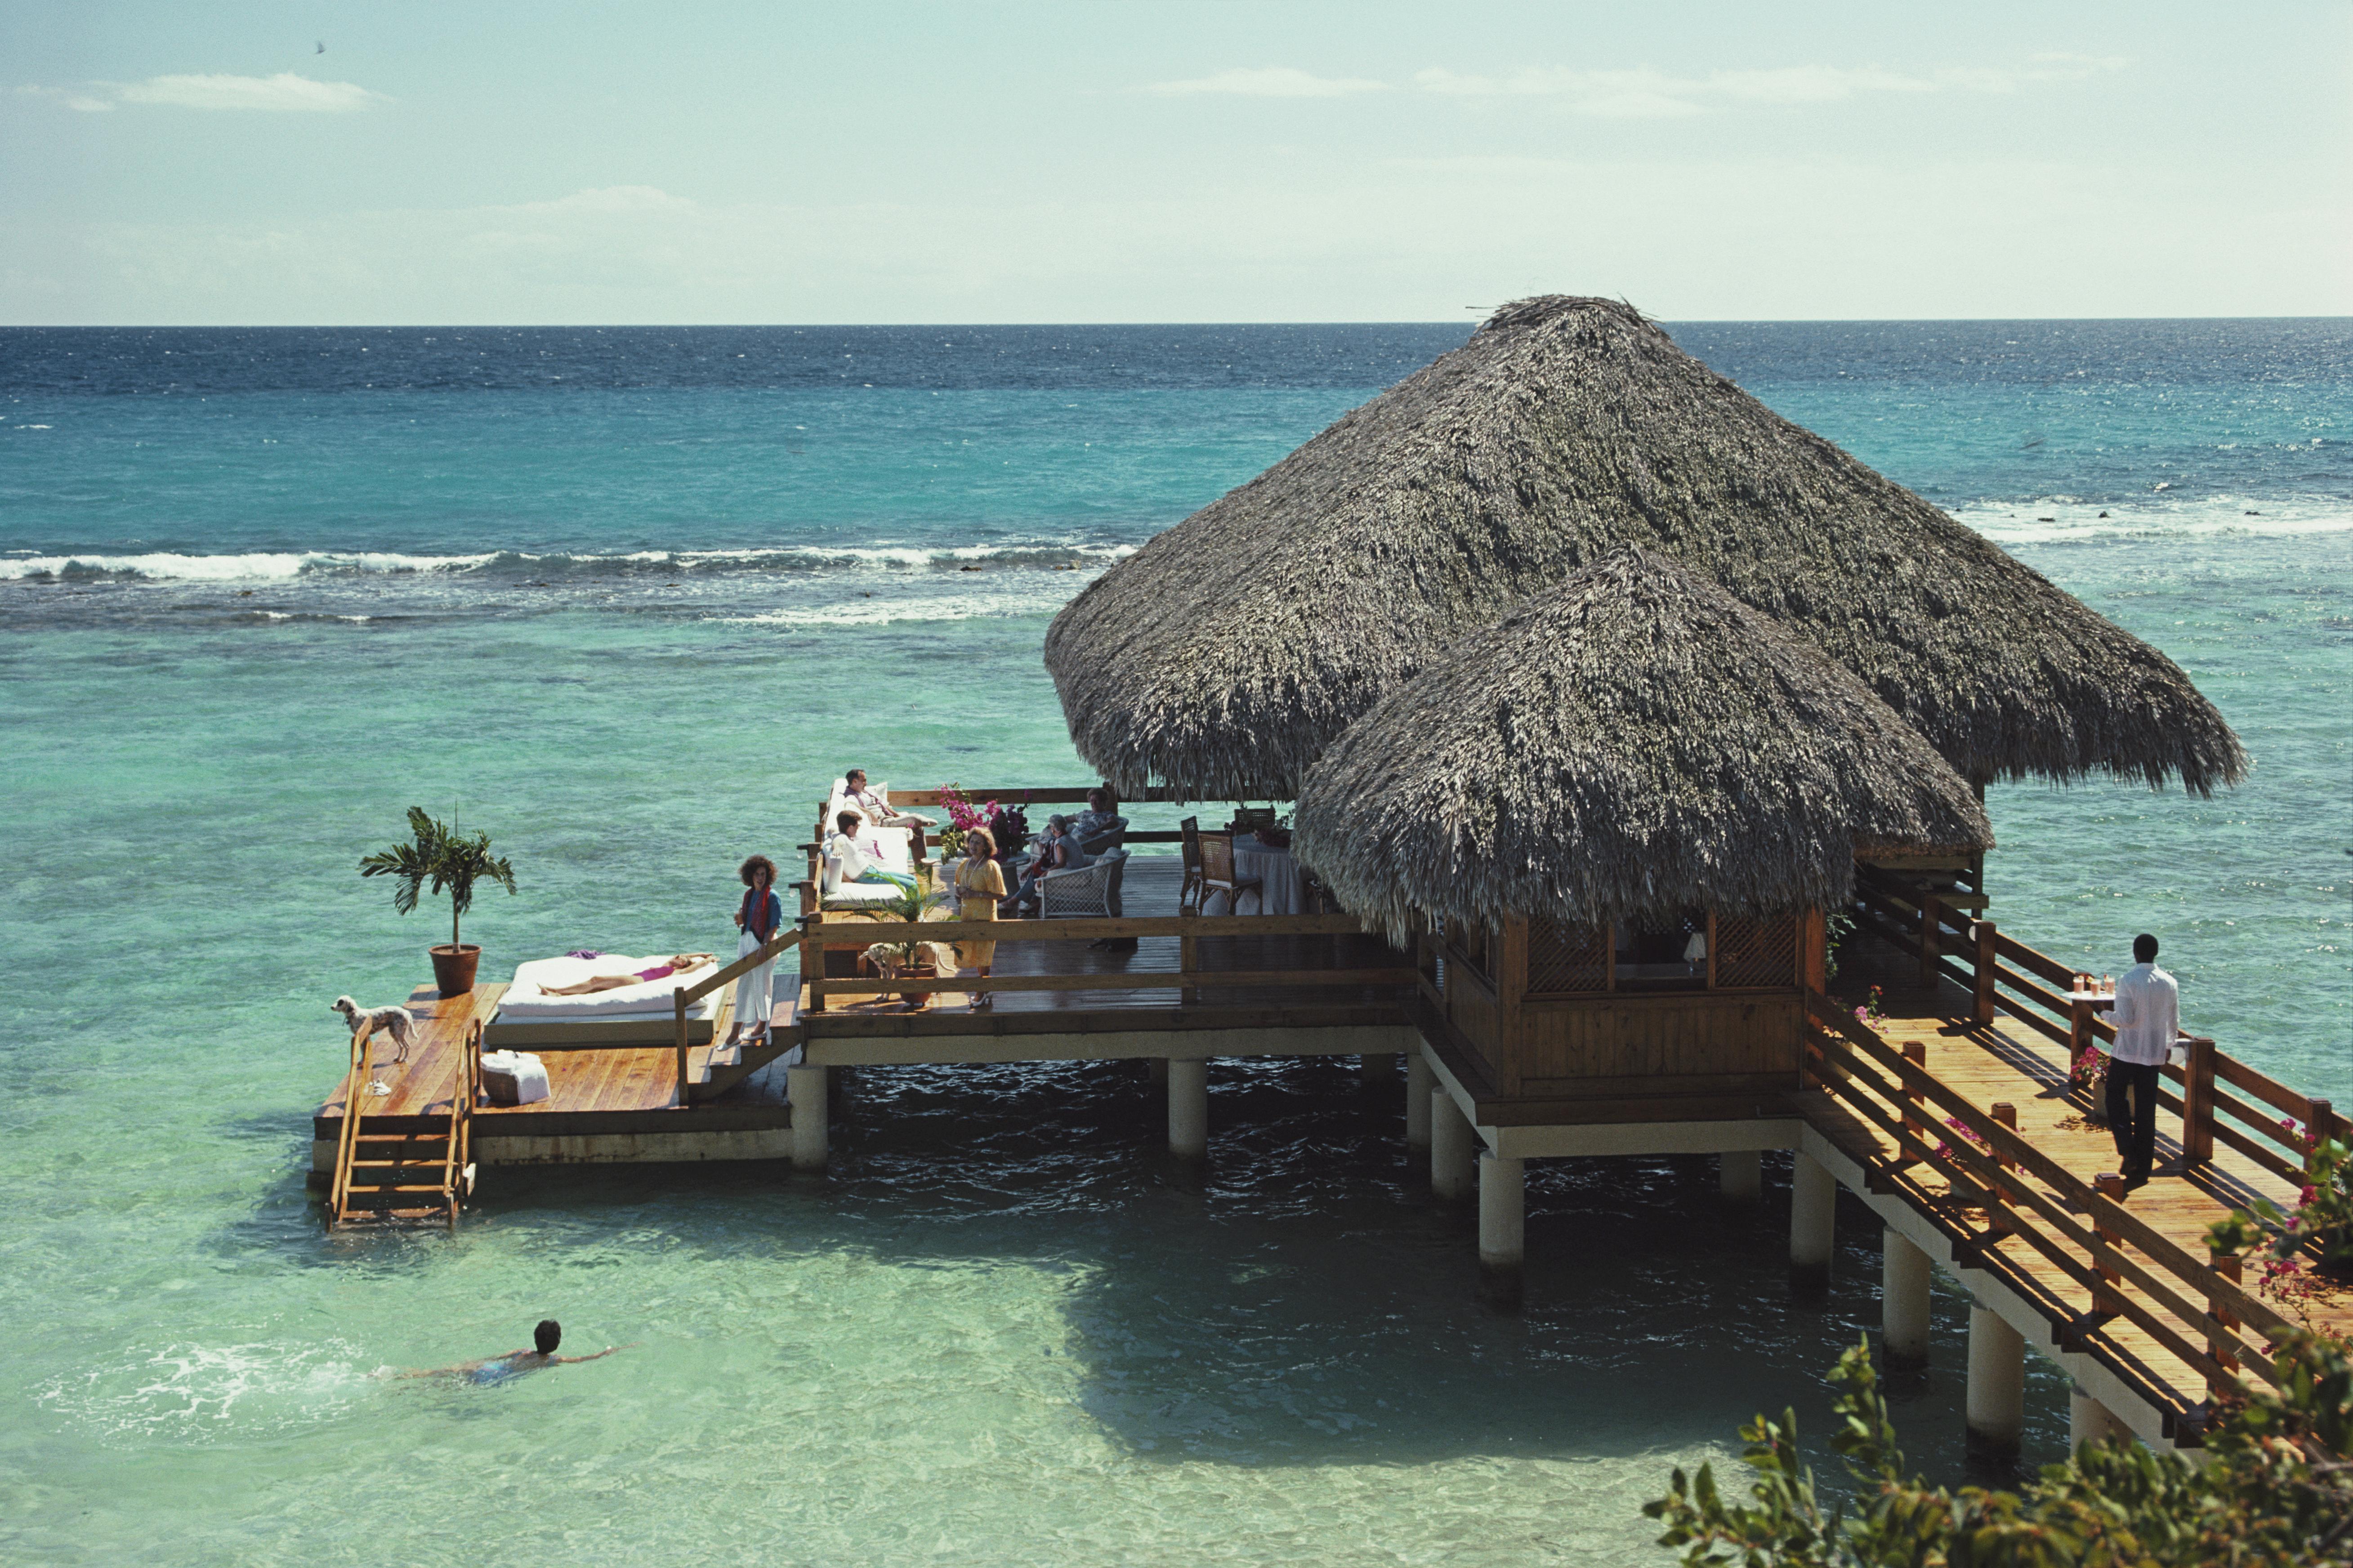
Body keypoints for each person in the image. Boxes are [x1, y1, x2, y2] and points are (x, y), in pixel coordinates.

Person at [2106, 931, 2179, 1188]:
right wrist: (2169, 1046)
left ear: (2135, 953)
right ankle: (2142, 1169)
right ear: (2155, 953)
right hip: (2153, 1053)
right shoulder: (2170, 983)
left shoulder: (2128, 980)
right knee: (2147, 1109)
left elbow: (2125, 1019)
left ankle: (2128, 1150)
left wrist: (2103, 1013)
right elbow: (2173, 1020)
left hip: (2127, 1051)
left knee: (2115, 1096)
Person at [398, 1319, 620, 1383]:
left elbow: (494, 1358)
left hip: (488, 1367)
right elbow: (582, 1359)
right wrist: (605, 1353)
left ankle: (402, 1376)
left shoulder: (522, 1350)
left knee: (440, 1373)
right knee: (444, 1388)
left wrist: (474, 1363)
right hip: (494, 1378)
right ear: (557, 1343)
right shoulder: (551, 1360)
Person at [727, 855, 784, 1048]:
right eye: (757, 875)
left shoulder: (773, 896)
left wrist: (764, 947)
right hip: (747, 943)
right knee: (744, 986)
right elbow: (749, 921)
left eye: (763, 874)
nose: (760, 878)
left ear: (768, 876)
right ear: (750, 876)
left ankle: (760, 1027)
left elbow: (774, 925)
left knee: (762, 987)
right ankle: (736, 1033)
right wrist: (740, 919)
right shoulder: (749, 895)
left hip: (763, 946)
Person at [952, 826, 1007, 1010]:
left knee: (984, 956)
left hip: (985, 917)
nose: (973, 846)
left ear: (986, 846)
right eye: (972, 842)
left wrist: (976, 894)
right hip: (968, 916)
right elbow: (958, 885)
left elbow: (1000, 894)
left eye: (978, 843)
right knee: (976, 956)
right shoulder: (964, 865)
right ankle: (987, 988)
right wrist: (959, 892)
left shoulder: (991, 867)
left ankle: (981, 992)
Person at [1004, 814, 1088, 914]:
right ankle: (1033, 903)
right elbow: (1048, 862)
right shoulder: (1067, 838)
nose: (1050, 829)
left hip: (1071, 873)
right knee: (1037, 873)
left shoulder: (1061, 842)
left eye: (1050, 826)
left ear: (1053, 828)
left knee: (1037, 876)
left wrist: (1045, 874)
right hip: (1074, 870)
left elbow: (1062, 863)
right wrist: (1031, 868)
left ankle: (1012, 902)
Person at [826, 810, 916, 897]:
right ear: (850, 828)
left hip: (872, 872)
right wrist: (837, 848)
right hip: (867, 877)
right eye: (857, 826)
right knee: (911, 885)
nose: (858, 828)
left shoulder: (843, 835)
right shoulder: (842, 838)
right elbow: (838, 841)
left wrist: (832, 831)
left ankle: (910, 904)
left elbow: (832, 831)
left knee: (912, 879)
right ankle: (916, 908)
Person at [542, 953, 716, 996]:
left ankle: (557, 990)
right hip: (634, 979)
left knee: (596, 980)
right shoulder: (665, 966)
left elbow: (694, 967)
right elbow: (682, 954)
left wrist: (707, 960)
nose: (678, 957)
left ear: (682, 964)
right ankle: (557, 994)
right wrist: (700, 953)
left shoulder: (675, 972)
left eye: (681, 959)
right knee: (596, 989)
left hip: (637, 981)